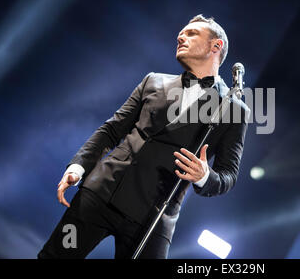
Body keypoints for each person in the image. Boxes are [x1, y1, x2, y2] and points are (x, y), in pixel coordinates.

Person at [38, 14, 249, 259]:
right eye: (181, 32)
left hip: (155, 216)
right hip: (102, 192)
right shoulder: (154, 81)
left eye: (192, 33)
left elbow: (228, 174)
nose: (180, 36)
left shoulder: (233, 108)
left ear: (216, 46)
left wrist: (204, 176)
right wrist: (78, 166)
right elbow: (112, 129)